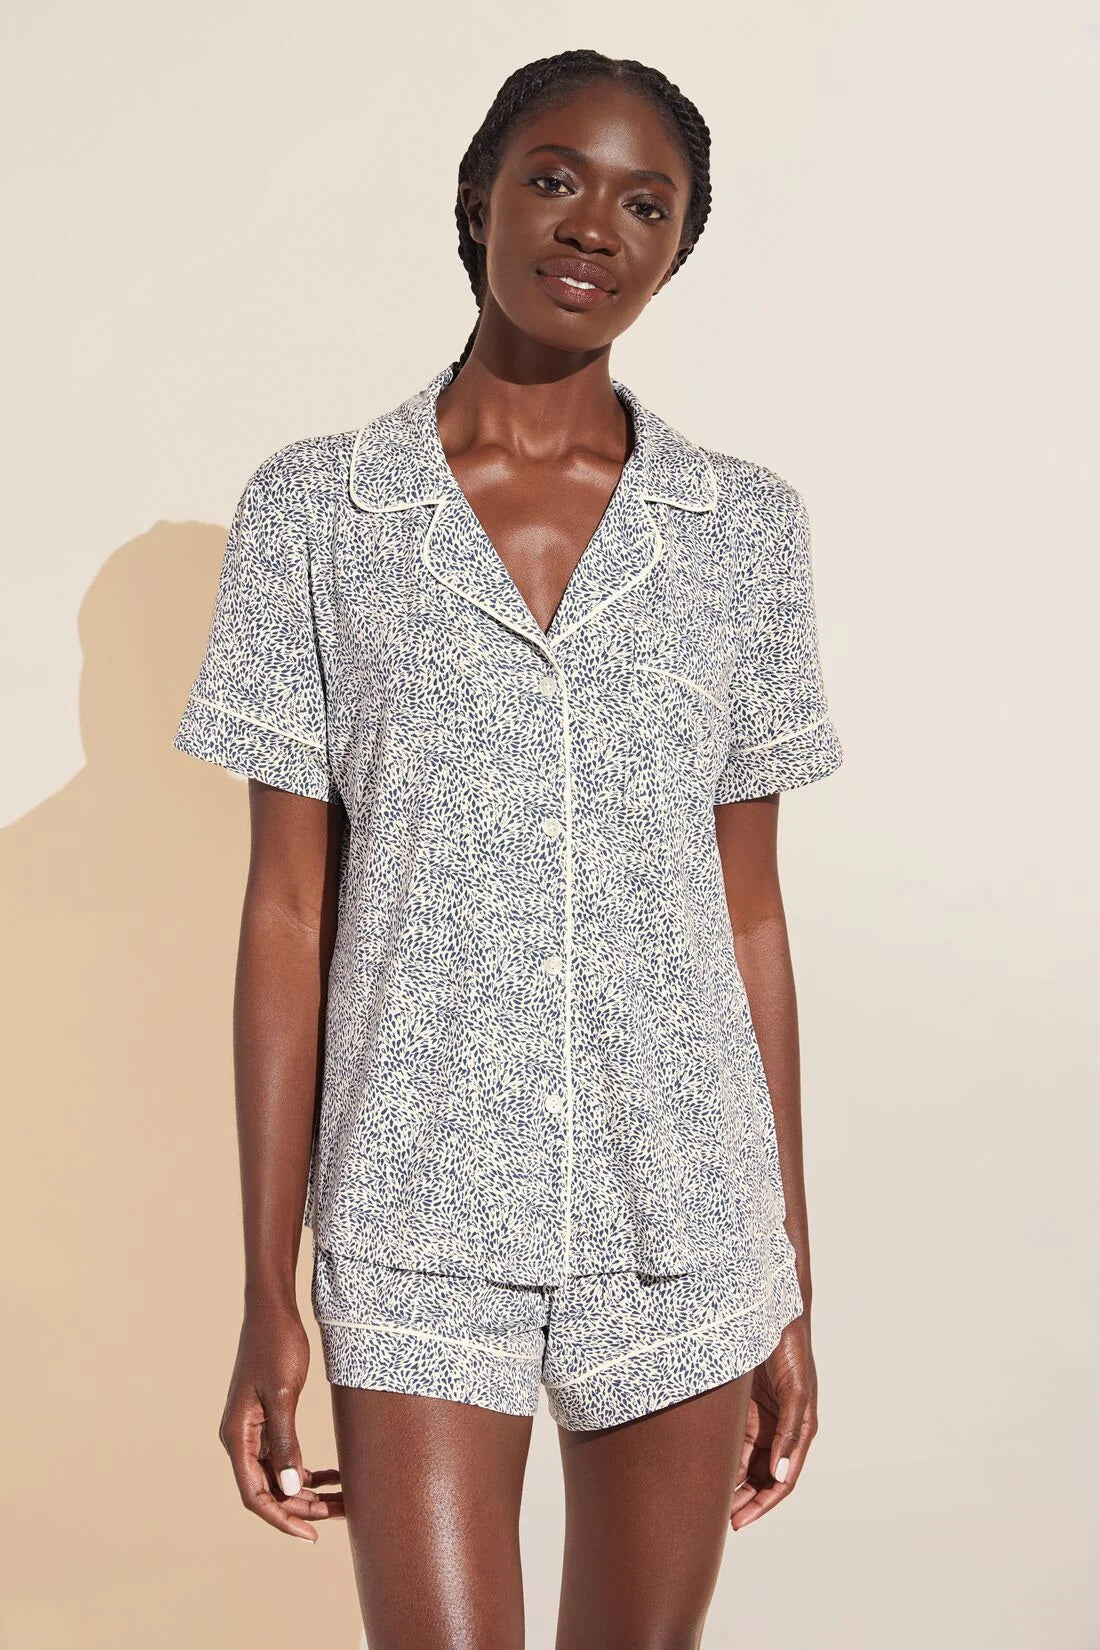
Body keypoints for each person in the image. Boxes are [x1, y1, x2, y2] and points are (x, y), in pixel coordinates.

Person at [173, 47, 844, 1649]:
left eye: (646, 203)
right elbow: (286, 914)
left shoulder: (743, 530)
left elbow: (749, 917)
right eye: (555, 178)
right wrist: (268, 1287)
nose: (594, 224)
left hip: (684, 1217)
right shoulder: (319, 512)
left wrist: (788, 1273)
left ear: (680, 248)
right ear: (479, 199)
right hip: (412, 1209)